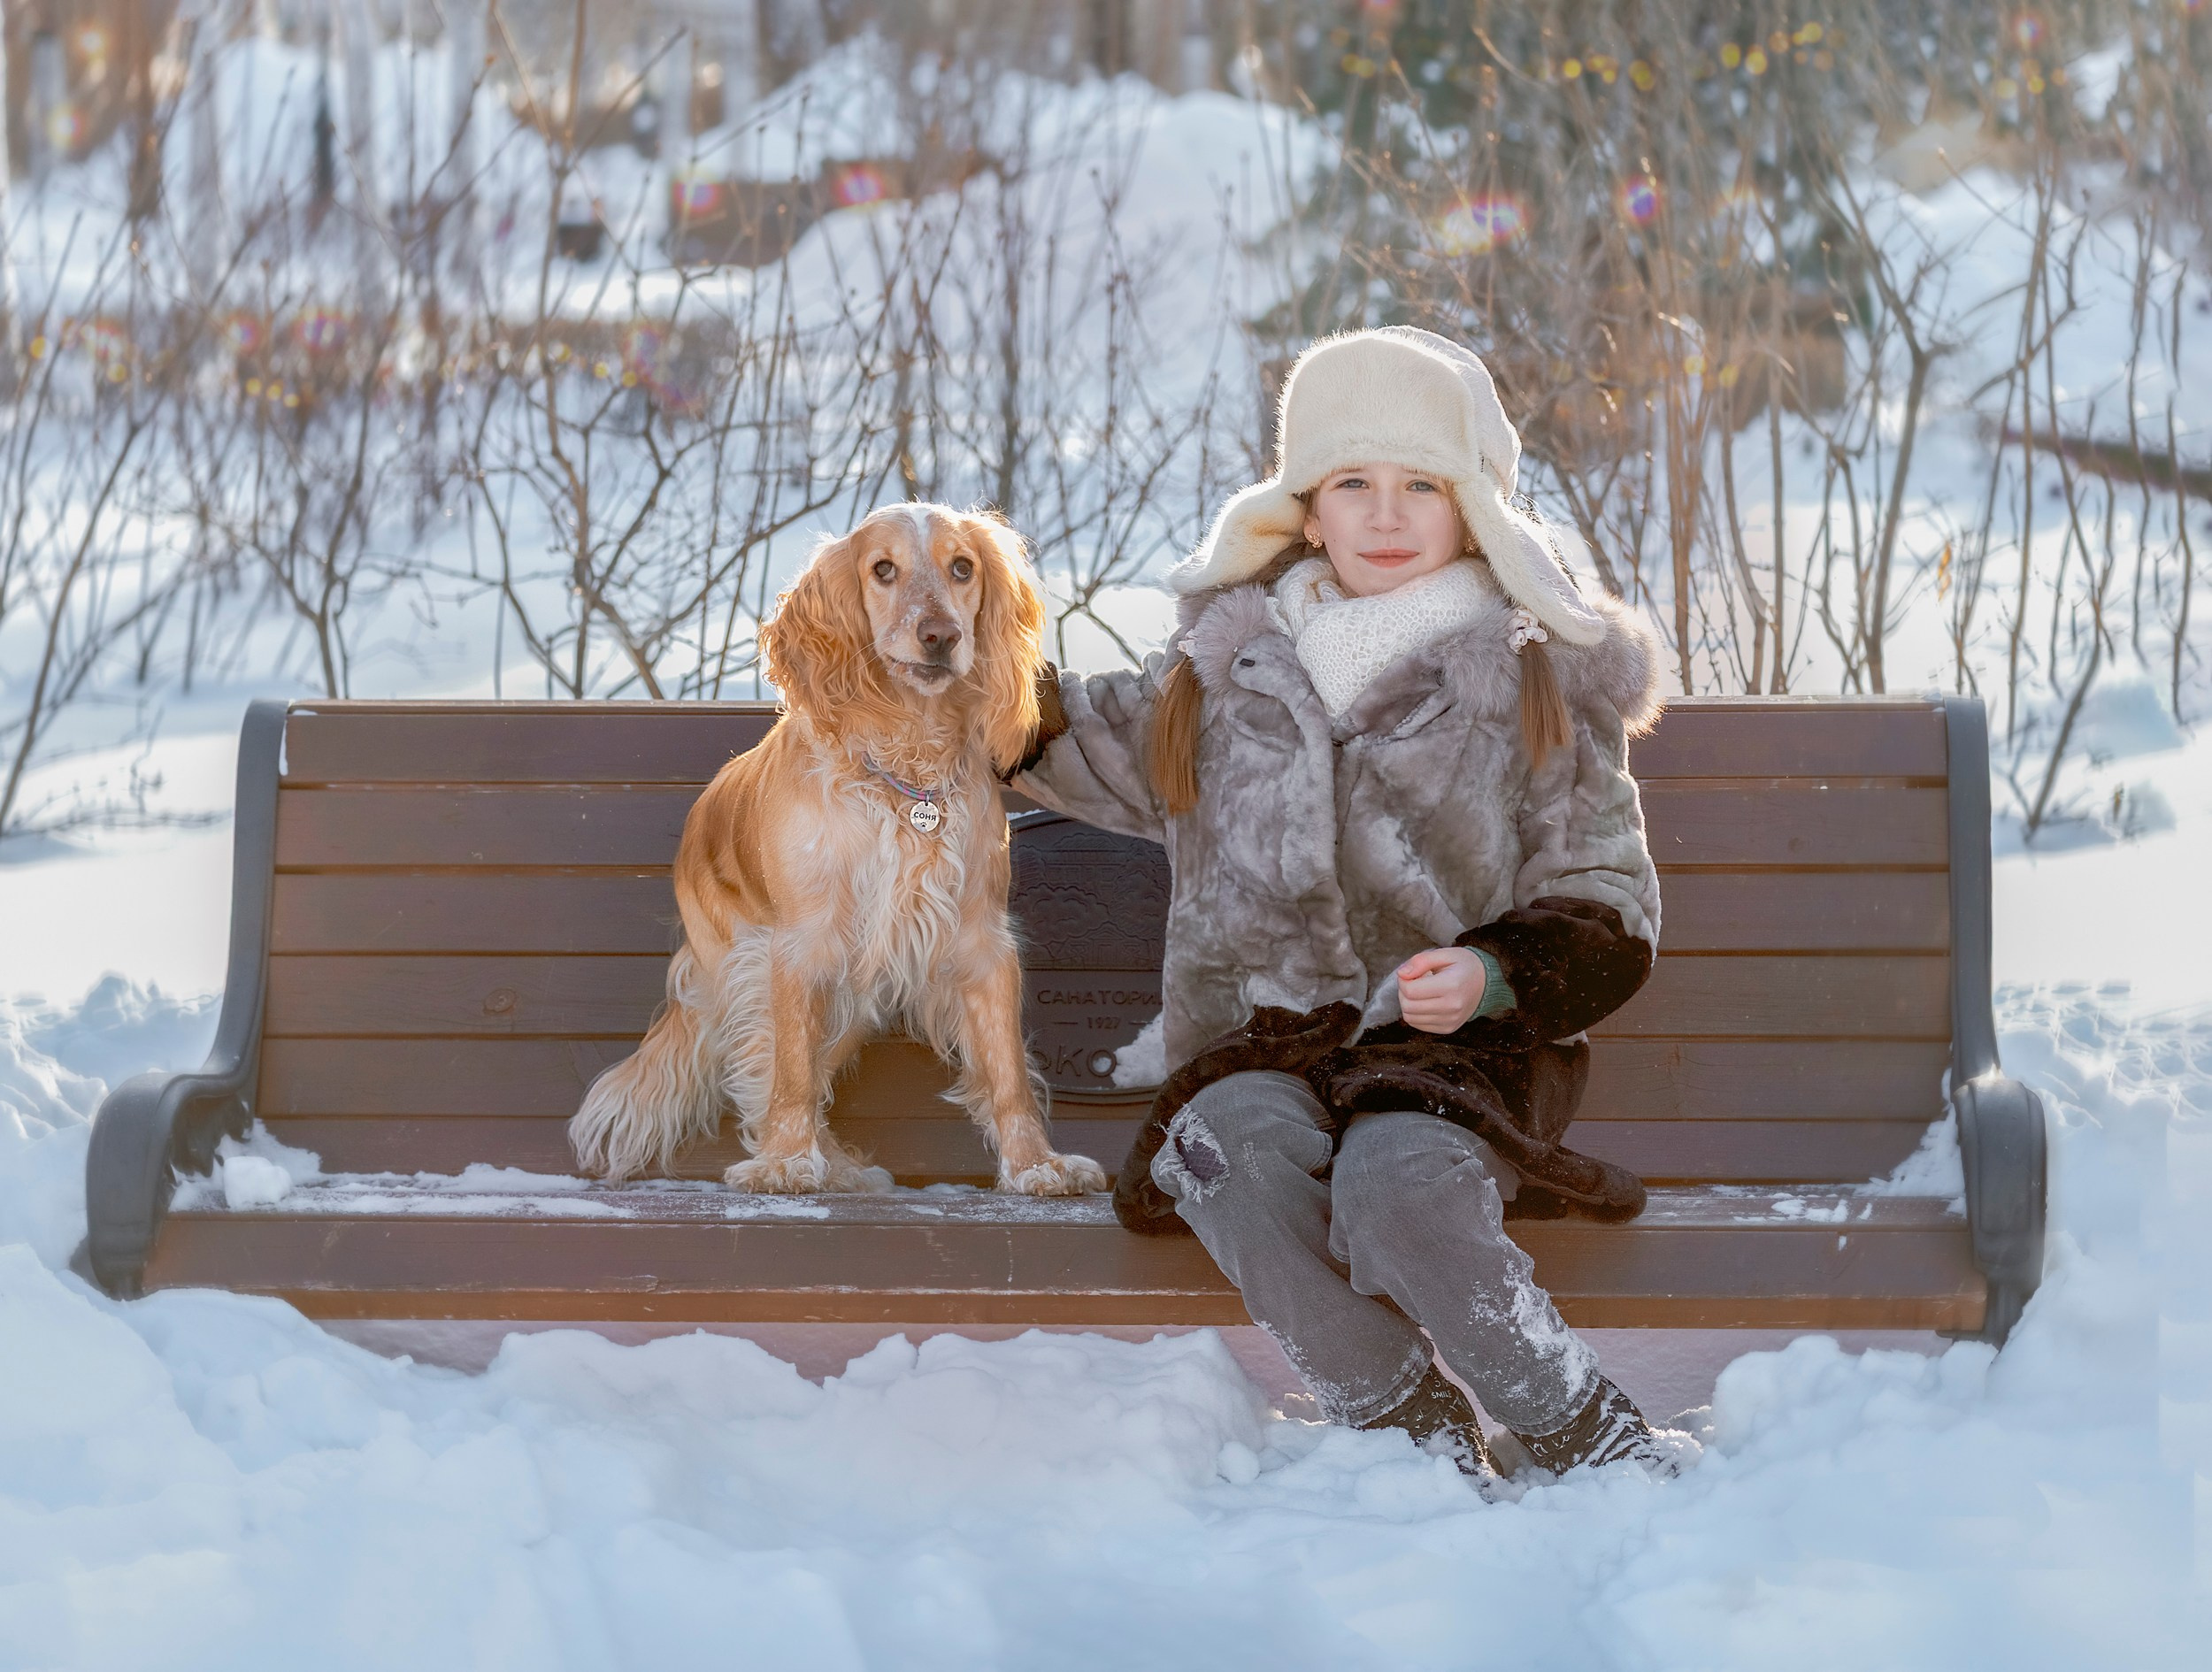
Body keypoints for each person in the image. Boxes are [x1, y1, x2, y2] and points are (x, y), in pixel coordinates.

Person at [1009, 326, 1686, 1483]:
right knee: (1219, 1153)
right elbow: (1039, 732)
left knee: (1393, 1187)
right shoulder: (1221, 683)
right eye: (1353, 484)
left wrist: (1494, 974)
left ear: (1471, 508)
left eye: (1421, 484)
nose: (1386, 514)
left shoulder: (1528, 684)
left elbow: (1606, 901)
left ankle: (1572, 1417)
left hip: (1455, 1052)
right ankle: (1401, 1418)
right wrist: (919, 668)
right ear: (1305, 510)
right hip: (1258, 1049)